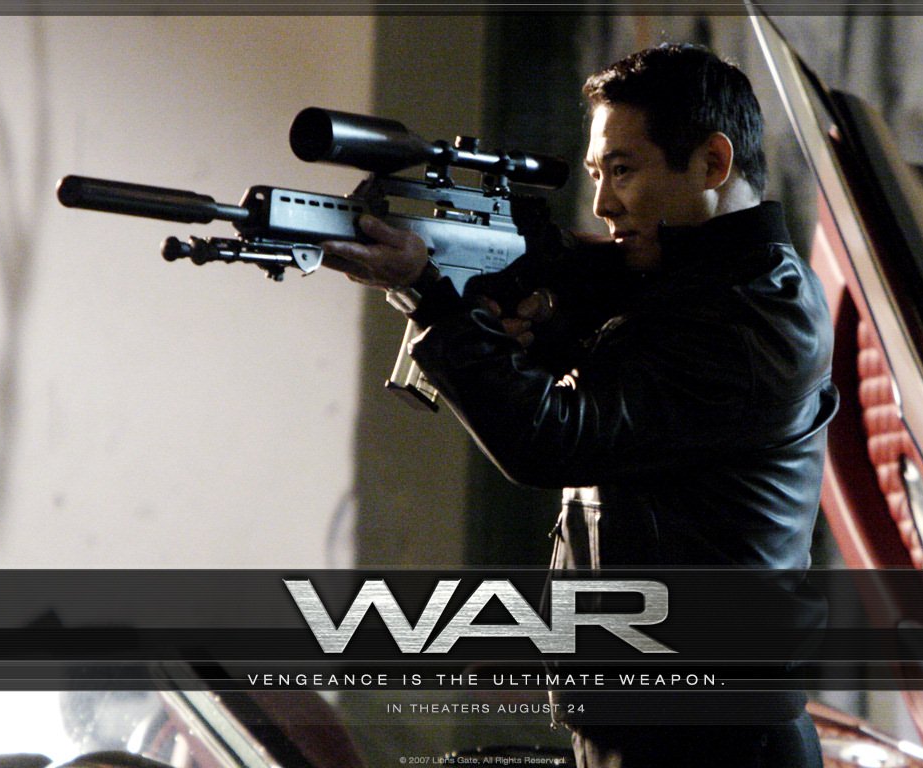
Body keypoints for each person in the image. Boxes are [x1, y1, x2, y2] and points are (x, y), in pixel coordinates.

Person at [322, 43, 836, 768]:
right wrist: (537, 323)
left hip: (715, 743)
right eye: (597, 174)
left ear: (713, 163)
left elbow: (553, 441)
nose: (603, 205)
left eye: (624, 171)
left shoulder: (760, 315)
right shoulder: (675, 289)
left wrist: (433, 300)